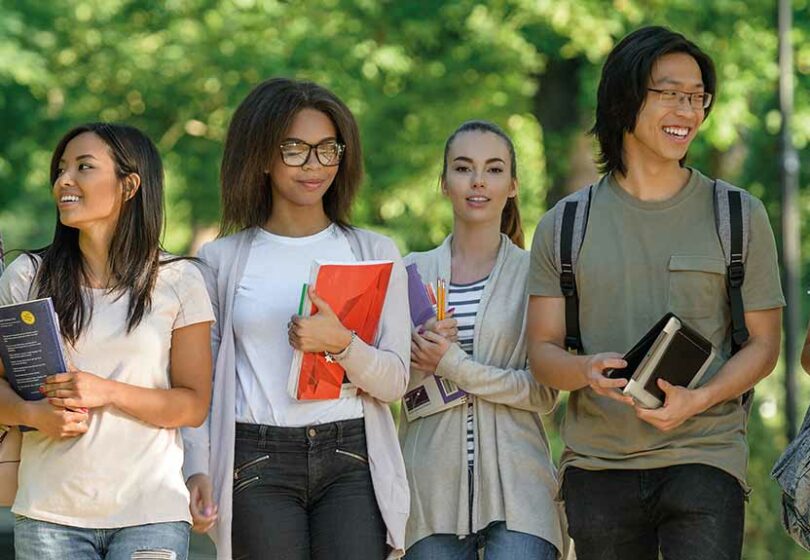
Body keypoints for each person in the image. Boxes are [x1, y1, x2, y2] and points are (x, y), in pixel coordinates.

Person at [526, 26, 784, 560]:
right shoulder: (564, 225)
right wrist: (585, 371)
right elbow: (543, 352)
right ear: (625, 98)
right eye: (669, 93)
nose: (687, 111)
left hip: (706, 456)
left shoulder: (738, 216)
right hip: (598, 467)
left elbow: (764, 345)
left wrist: (701, 399)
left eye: (697, 97)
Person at [183, 77, 411, 560]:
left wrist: (342, 343)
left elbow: (395, 382)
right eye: (295, 150)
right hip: (256, 459)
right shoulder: (221, 260)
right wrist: (195, 468)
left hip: (351, 457)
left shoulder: (373, 252)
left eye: (328, 150)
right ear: (262, 157)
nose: (315, 165)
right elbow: (197, 385)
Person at [0, 122, 214, 560]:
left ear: (130, 185)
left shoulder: (179, 280)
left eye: (84, 167)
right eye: (61, 169)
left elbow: (192, 405)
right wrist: (31, 414)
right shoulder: (26, 275)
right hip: (50, 518)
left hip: (151, 515)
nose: (64, 181)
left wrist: (106, 391)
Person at [402, 120, 564, 559]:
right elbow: (390, 390)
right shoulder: (408, 272)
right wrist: (417, 357)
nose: (477, 181)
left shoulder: (536, 276)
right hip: (429, 495)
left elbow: (544, 391)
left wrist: (453, 364)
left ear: (512, 186)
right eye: (463, 168)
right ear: (443, 183)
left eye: (493, 170)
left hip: (521, 494)